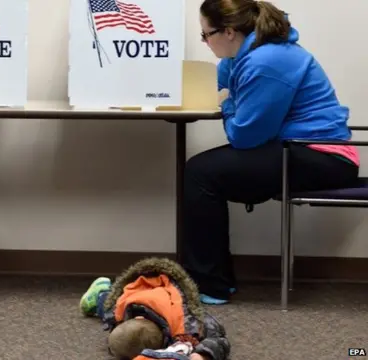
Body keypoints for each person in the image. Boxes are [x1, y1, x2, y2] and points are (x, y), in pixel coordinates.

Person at [182, 0, 360, 305]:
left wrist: (226, 105)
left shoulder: (267, 60)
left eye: (205, 35)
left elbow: (245, 136)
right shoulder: (245, 54)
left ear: (227, 32)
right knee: (203, 170)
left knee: (201, 173)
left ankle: (212, 285)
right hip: (299, 149)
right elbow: (217, 80)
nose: (205, 42)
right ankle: (213, 280)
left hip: (325, 157)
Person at [79, 257, 230, 360]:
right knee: (110, 309)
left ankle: (101, 293)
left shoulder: (187, 321)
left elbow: (219, 337)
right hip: (134, 289)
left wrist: (203, 354)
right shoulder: (121, 309)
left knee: (107, 307)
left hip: (171, 288)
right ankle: (102, 292)